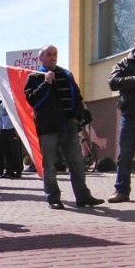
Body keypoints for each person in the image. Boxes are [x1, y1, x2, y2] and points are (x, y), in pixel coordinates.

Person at [24, 45, 104, 209]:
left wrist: (77, 116)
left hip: (69, 125)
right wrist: (46, 83)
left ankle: (83, 196)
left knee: (76, 162)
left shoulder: (66, 74)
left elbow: (77, 96)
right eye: (48, 54)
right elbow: (33, 101)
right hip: (48, 127)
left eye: (55, 54)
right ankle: (53, 197)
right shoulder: (34, 77)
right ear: (41, 58)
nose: (52, 57)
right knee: (50, 165)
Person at [107, 26, 135, 203]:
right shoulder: (124, 62)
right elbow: (113, 82)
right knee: (125, 153)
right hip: (131, 113)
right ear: (134, 41)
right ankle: (121, 191)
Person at [0, 100, 24, 178]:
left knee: (15, 151)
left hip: (13, 129)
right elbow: (0, 118)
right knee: (7, 152)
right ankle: (9, 171)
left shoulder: (13, 102)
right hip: (4, 130)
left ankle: (18, 171)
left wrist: (18, 129)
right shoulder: (1, 105)